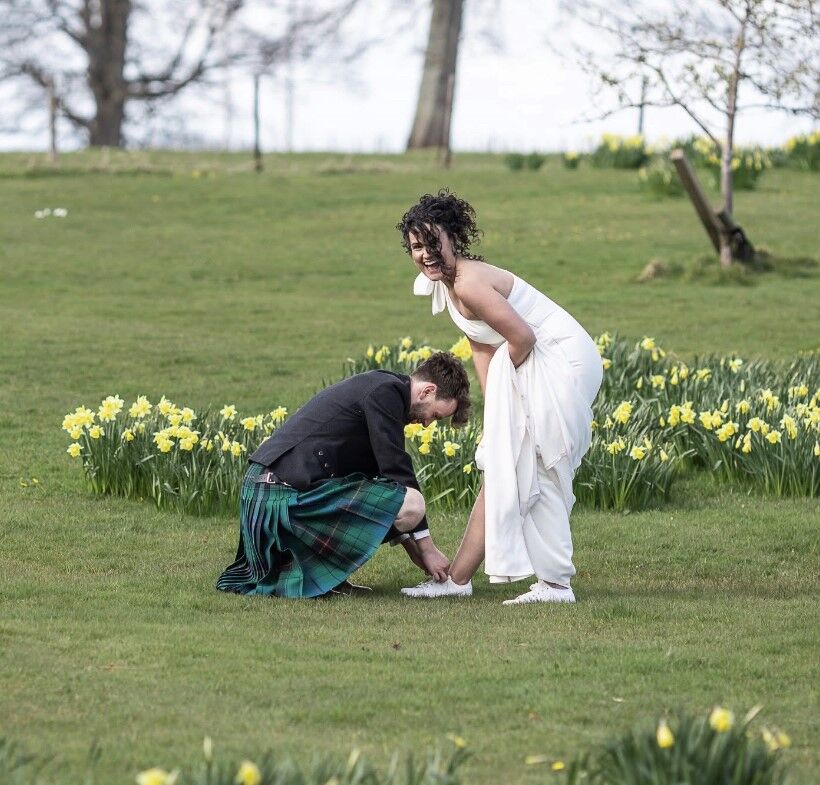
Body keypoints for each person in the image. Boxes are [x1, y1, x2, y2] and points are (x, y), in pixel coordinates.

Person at [396, 189, 602, 605]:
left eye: (434, 242)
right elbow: (482, 344)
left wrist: (513, 409)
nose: (426, 254)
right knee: (503, 462)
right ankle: (457, 580)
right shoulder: (450, 284)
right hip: (528, 359)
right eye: (417, 247)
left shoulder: (469, 282)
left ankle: (556, 585)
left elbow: (522, 337)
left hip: (559, 360)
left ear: (454, 238)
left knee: (536, 463)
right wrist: (497, 420)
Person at [216, 352, 471, 599]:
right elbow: (397, 471)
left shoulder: (383, 388)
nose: (427, 424)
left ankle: (329, 578)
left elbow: (382, 481)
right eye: (435, 415)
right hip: (275, 496)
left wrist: (411, 545)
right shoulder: (386, 393)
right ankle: (318, 574)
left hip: (264, 491)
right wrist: (427, 548)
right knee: (413, 503)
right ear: (427, 391)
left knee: (390, 498)